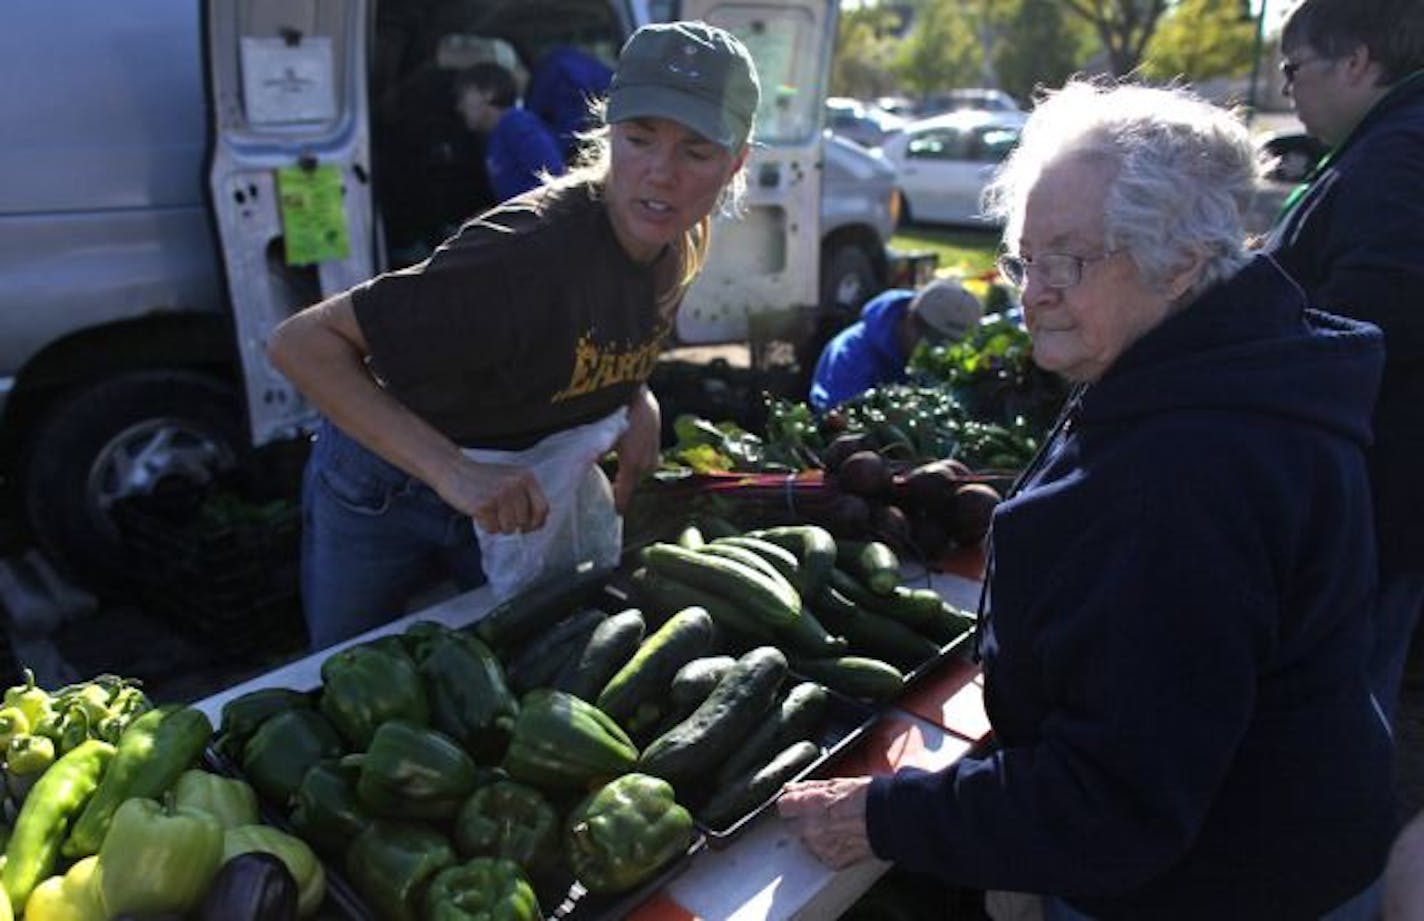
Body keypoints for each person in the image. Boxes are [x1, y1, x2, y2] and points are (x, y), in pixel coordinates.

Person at [778, 79, 1396, 919]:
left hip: (1225, 887)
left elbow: (1114, 806)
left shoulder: (1187, 481)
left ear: (1180, 261)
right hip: (1285, 836)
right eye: (1024, 258)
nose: (1032, 292)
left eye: (1067, 259)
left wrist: (880, 815)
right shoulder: (1207, 363)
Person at [268, 20, 759, 649]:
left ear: (735, 161)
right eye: (640, 138)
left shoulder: (678, 238)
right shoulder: (523, 254)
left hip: (507, 497)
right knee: (346, 672)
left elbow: (603, 330)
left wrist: (636, 399)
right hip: (387, 491)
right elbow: (301, 344)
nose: (661, 173)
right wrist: (454, 472)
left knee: (499, 674)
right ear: (610, 132)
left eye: (696, 151)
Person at [1264, 0, 1424, 721]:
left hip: (1374, 489)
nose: (1287, 87)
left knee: (1339, 709)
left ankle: (1334, 828)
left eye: (1295, 68)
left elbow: (1368, 324)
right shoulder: (1389, 145)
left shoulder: (1395, 157)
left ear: (1357, 61)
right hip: (1378, 480)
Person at [808, 279, 982, 412]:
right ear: (910, 322)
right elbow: (835, 417)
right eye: (935, 341)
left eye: (953, 345)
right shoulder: (851, 353)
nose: (942, 352)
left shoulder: (944, 361)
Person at [453, 62, 566, 203]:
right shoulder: (494, 135)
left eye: (464, 96)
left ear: (489, 93)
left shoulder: (516, 125)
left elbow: (554, 178)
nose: (460, 107)